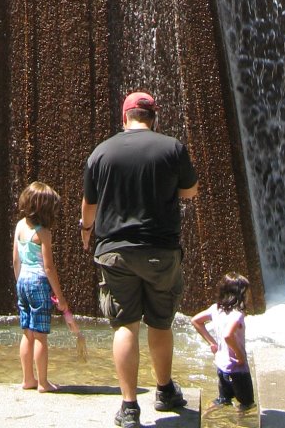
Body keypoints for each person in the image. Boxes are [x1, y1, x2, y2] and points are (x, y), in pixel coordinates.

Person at [81, 90, 198, 426]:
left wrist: (86, 230)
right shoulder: (172, 148)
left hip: (114, 251)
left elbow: (89, 203)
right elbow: (190, 191)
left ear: (124, 118)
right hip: (161, 251)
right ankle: (164, 390)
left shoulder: (101, 153)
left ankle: (130, 407)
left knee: (125, 325)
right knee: (160, 322)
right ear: (153, 118)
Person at [13, 181, 79, 392]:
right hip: (39, 282)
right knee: (40, 335)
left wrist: (19, 283)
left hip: (22, 281)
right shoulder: (44, 234)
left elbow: (15, 260)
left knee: (27, 333)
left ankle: (27, 379)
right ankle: (43, 382)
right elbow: (49, 268)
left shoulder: (19, 226)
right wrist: (60, 297)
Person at [191, 273, 254, 414]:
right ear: (240, 295)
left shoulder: (215, 309)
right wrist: (240, 356)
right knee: (247, 405)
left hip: (221, 366)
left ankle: (208, 415)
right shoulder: (237, 315)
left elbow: (195, 321)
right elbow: (228, 336)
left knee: (223, 400)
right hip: (238, 369)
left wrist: (212, 343)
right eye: (247, 293)